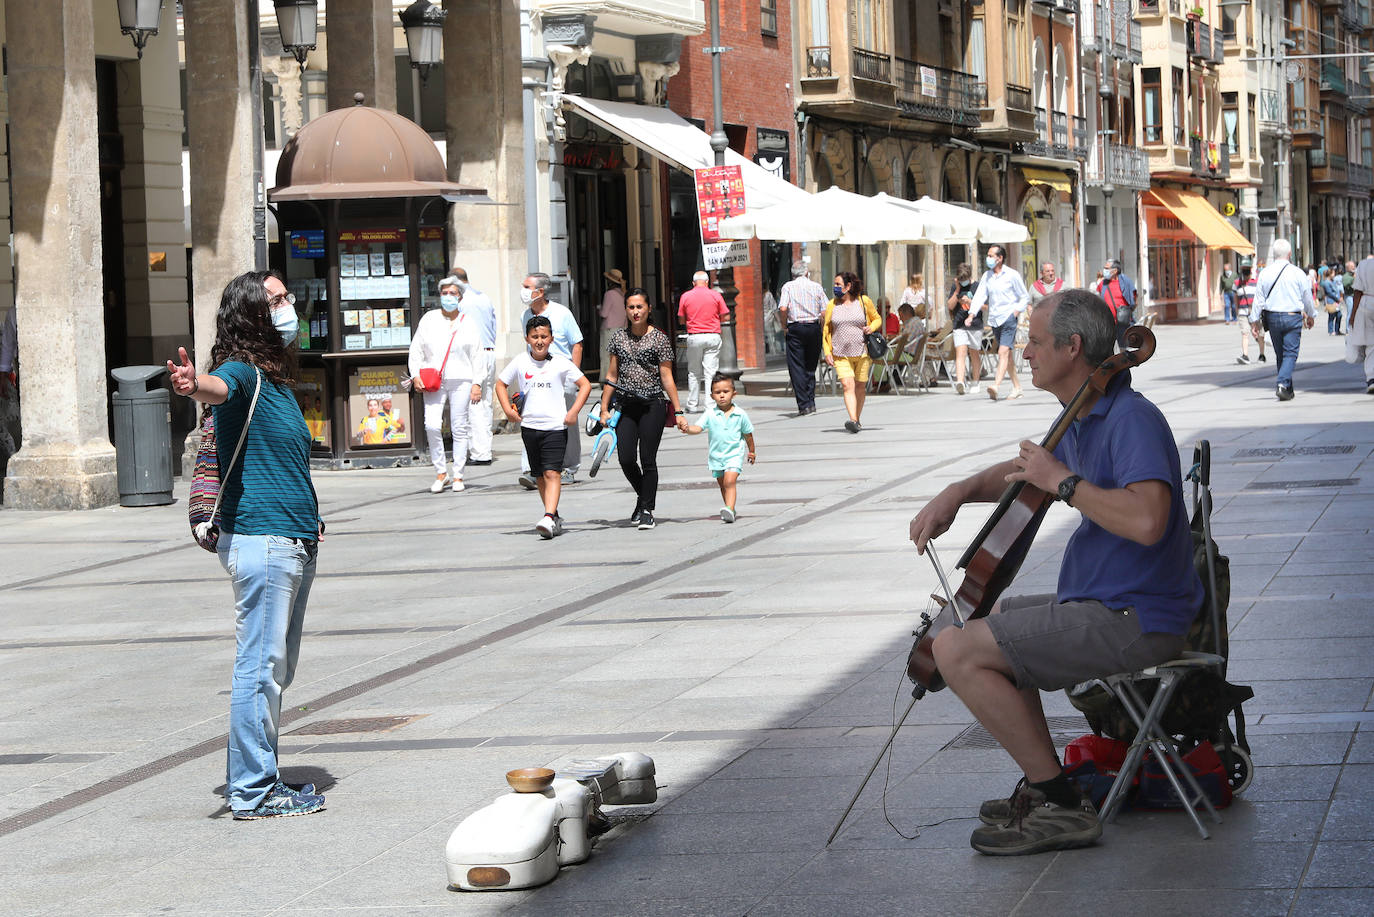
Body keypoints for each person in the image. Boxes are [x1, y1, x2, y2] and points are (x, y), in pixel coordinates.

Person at [907, 288, 1203, 856]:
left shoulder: (1132, 420)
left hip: (1134, 616)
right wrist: (961, 490)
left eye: (1036, 343)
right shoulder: (1085, 414)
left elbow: (1147, 520)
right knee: (981, 618)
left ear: (1073, 348)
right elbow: (1023, 472)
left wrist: (1063, 484)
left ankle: (1061, 805)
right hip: (1102, 606)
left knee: (956, 649)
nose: (1025, 354)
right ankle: (1050, 788)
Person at [166, 270, 327, 820]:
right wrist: (193, 384)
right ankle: (253, 791)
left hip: (293, 537)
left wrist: (312, 520)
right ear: (253, 313)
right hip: (263, 539)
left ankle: (261, 777)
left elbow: (282, 462)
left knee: (275, 670)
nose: (289, 307)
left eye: (287, 297)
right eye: (278, 300)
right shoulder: (241, 374)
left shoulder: (276, 382)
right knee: (258, 668)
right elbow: (219, 386)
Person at [600, 288, 689, 531]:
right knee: (626, 458)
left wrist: (679, 411)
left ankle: (647, 509)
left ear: (648, 309)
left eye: (640, 307)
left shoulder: (659, 338)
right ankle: (644, 496)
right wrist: (603, 408)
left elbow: (667, 376)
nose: (636, 311)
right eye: (631, 307)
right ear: (626, 310)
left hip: (653, 405)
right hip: (626, 406)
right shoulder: (619, 337)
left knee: (648, 458)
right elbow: (612, 374)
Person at [496, 315, 591, 538]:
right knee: (539, 474)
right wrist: (508, 410)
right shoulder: (520, 361)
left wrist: (573, 411)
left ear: (551, 338)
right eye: (535, 337)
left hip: (555, 427)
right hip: (529, 427)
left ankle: (548, 517)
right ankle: (553, 515)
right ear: (527, 338)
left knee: (552, 472)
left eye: (544, 336)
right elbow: (501, 384)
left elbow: (585, 384)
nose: (539, 341)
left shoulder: (560, 363)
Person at [409, 275, 482, 493]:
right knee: (431, 424)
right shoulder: (429, 319)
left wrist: (477, 382)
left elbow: (477, 354)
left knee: (459, 427)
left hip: (462, 378)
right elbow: (416, 349)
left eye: (453, 293)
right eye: (444, 293)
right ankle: (441, 472)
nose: (448, 297)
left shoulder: (468, 322)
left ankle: (458, 474)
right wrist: (415, 375)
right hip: (433, 379)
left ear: (460, 297)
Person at [518, 272, 584, 488]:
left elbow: (577, 343)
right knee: (531, 419)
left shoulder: (562, 313)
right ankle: (532, 468)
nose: (524, 291)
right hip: (535, 375)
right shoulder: (525, 316)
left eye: (528, 287)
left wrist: (573, 375)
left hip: (561, 374)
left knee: (566, 421)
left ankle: (569, 467)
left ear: (541, 291)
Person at [682, 373, 756, 523]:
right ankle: (730, 509)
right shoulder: (710, 413)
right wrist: (688, 429)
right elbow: (698, 427)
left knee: (729, 482)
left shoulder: (740, 414)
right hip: (716, 456)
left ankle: (729, 507)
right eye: (717, 392)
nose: (722, 395)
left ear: (734, 393)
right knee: (723, 485)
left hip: (734, 455)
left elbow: (748, 435)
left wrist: (752, 451)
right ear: (712, 395)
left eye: (725, 392)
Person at [1252, 238, 1316, 401]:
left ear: (1274, 255)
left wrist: (1254, 321)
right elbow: (1307, 296)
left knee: (1281, 354)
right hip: (1292, 317)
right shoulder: (1297, 272)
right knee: (1290, 354)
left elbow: (1258, 299)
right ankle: (1282, 383)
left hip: (1272, 317)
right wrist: (1311, 315)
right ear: (1289, 254)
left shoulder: (1265, 273)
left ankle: (1287, 389)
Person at [822, 271, 882, 433]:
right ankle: (853, 420)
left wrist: (872, 327)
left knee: (860, 387)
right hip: (840, 353)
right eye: (834, 284)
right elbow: (826, 329)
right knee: (847, 385)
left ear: (848, 286)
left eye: (838, 284)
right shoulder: (832, 305)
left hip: (862, 351)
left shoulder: (863, 301)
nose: (834, 287)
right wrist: (827, 351)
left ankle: (857, 418)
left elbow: (877, 318)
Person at [449, 267, 498, 465]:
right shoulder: (483, 297)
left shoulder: (462, 302)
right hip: (488, 352)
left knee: (473, 405)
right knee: (484, 404)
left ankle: (479, 453)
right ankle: (482, 448)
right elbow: (493, 326)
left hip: (473, 356)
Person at [970, 244, 1028, 402]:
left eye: (990, 255)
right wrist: (971, 314)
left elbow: (1024, 296)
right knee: (1007, 356)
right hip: (995, 320)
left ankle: (996, 385)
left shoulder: (1012, 275)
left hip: (1009, 318)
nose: (987, 258)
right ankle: (1017, 387)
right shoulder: (987, 276)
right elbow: (980, 296)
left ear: (1000, 258)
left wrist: (1015, 311)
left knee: (1003, 352)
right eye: (987, 255)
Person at [778, 260, 828, 415]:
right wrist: (821, 326)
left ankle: (804, 404)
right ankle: (811, 402)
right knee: (810, 367)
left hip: (796, 327)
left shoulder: (788, 286)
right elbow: (825, 310)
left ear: (793, 274)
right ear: (807, 272)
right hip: (813, 327)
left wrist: (784, 325)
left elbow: (783, 307)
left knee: (797, 367)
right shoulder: (816, 286)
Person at [677, 270, 729, 414]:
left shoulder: (685, 296)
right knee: (710, 373)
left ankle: (692, 405)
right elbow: (725, 315)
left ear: (693, 283)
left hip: (695, 336)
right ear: (707, 282)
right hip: (712, 335)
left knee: (693, 372)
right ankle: (710, 405)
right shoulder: (715, 295)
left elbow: (681, 319)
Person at [947, 262, 983, 394]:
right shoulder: (955, 287)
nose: (963, 282)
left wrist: (970, 302)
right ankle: (960, 382)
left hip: (975, 325)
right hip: (959, 325)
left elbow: (985, 306)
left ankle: (975, 381)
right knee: (960, 353)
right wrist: (957, 291)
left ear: (969, 276)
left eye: (964, 280)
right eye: (960, 280)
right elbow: (950, 306)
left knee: (974, 353)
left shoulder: (977, 286)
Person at [1348, 253, 1374, 394]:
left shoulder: (1363, 265)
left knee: (1370, 343)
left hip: (1366, 305)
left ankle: (1371, 378)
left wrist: (1353, 314)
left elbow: (1357, 292)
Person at [1234, 260, 1266, 365]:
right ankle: (1245, 355)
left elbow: (1261, 297)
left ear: (1251, 270)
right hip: (1243, 312)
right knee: (1245, 333)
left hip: (1256, 312)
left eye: (1247, 269)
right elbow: (1235, 298)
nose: (1245, 272)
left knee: (1260, 335)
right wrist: (1237, 311)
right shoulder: (1237, 283)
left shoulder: (1257, 281)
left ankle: (1262, 355)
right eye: (1244, 269)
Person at [1099, 259, 1137, 347]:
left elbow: (1134, 298)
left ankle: (1124, 359)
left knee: (1123, 346)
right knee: (1107, 346)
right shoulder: (1102, 284)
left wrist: (1128, 311)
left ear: (1115, 270)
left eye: (1107, 268)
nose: (1104, 270)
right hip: (1107, 322)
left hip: (1122, 322)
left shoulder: (1125, 282)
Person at [599, 268, 627, 370]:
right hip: (622, 328)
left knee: (606, 355)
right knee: (619, 354)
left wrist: (597, 308)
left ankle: (606, 378)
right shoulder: (623, 294)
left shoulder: (609, 294)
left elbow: (604, 313)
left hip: (609, 329)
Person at [1320, 265, 1345, 335]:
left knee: (1339, 315)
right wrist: (1337, 299)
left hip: (1336, 301)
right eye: (1333, 273)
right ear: (1330, 274)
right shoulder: (1326, 283)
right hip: (1331, 301)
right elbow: (1330, 293)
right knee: (1332, 316)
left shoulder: (1333, 281)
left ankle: (1337, 330)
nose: (1334, 275)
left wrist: (1340, 297)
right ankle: (1331, 330)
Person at [1343, 260, 1357, 333]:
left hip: (1355, 296)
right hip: (1349, 296)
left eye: (1354, 266)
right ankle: (1348, 328)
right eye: (1352, 266)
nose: (1354, 267)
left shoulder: (1354, 274)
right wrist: (1354, 278)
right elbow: (1346, 284)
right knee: (1350, 312)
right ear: (1348, 268)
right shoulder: (1346, 276)